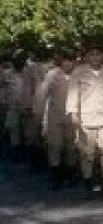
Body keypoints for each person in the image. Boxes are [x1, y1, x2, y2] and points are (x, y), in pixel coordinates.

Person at [67, 44, 103, 200]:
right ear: (87, 56)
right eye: (92, 54)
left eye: (98, 54)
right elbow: (73, 94)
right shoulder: (78, 73)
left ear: (102, 56)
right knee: (87, 154)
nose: (95, 57)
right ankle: (88, 186)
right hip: (86, 118)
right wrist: (73, 113)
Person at [35, 52, 77, 189]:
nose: (68, 63)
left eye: (71, 60)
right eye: (65, 60)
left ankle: (70, 175)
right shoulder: (52, 75)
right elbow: (42, 94)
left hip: (73, 117)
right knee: (55, 146)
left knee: (71, 147)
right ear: (61, 61)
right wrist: (39, 114)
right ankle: (55, 175)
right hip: (55, 116)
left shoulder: (78, 74)